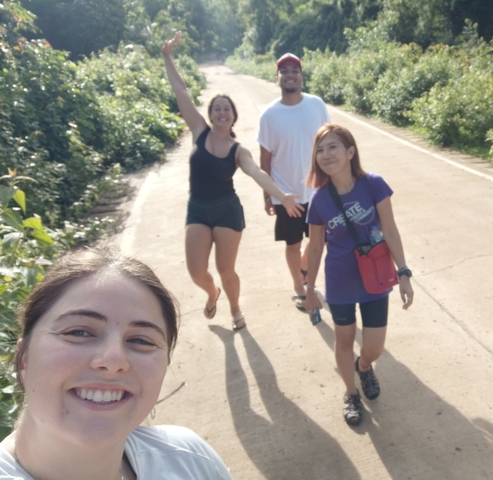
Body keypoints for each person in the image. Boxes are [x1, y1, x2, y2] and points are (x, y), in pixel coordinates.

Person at [0, 248, 233, 479]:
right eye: (79, 332)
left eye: (141, 340)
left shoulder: (191, 460)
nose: (114, 360)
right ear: (23, 357)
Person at [163, 33, 304, 331]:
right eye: (217, 108)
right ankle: (212, 293)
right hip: (198, 210)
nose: (221, 112)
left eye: (227, 109)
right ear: (210, 115)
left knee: (226, 269)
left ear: (233, 117)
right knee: (198, 272)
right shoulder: (198, 131)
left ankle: (235, 308)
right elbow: (181, 92)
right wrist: (167, 57)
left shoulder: (239, 151)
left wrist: (283, 196)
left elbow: (257, 173)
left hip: (227, 211)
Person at [303, 124, 414, 426]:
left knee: (374, 346)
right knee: (343, 339)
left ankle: (364, 366)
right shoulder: (319, 200)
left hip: (375, 276)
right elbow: (314, 249)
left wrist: (403, 272)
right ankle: (350, 393)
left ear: (350, 152)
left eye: (333, 147)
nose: (326, 154)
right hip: (339, 281)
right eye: (320, 149)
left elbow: (390, 229)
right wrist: (309, 288)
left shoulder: (374, 184)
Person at [257, 52, 330, 312]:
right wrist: (268, 195)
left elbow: (329, 145)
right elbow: (264, 159)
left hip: (318, 190)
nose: (290, 75)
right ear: (277, 78)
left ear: (301, 76)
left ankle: (304, 269)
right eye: (284, 71)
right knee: (293, 243)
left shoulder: (316, 105)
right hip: (286, 194)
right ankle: (299, 287)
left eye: (295, 70)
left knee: (320, 241)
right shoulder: (269, 115)